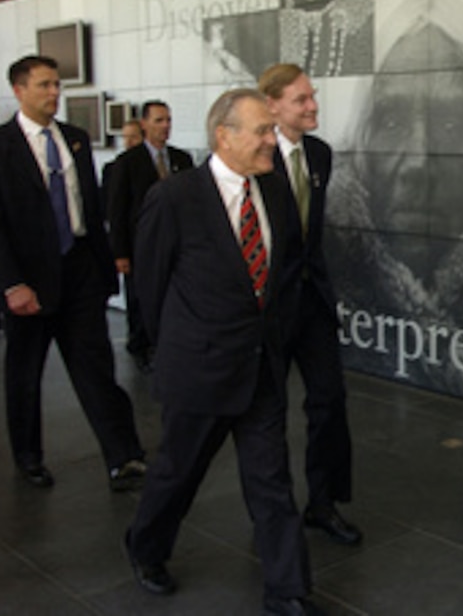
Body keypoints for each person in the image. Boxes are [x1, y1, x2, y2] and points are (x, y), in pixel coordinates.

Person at [125, 89, 322, 615]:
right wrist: (170, 355)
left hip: (261, 367)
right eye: (260, 130)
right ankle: (145, 548)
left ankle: (288, 591)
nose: (269, 140)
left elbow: (284, 273)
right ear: (224, 136)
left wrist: (276, 339)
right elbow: (149, 285)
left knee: (272, 481)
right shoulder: (175, 199)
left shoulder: (276, 192)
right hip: (199, 369)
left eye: (270, 130)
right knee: (178, 472)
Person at [327, 0, 463, 397]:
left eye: (451, 124)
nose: (418, 161)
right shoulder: (332, 266)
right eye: (391, 121)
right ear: (363, 135)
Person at [0, 55, 147, 491]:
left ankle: (123, 455)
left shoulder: (74, 139)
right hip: (28, 281)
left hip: (80, 273)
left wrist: (105, 266)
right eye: (44, 85)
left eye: (57, 85)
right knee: (25, 374)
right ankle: (29, 458)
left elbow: (90, 206)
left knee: (96, 368)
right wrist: (11, 284)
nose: (54, 93)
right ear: (19, 90)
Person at [259, 63, 361, 545]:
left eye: (312, 96)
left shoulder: (320, 154)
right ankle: (272, 517)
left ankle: (323, 504)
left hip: (313, 301)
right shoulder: (255, 158)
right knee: (268, 413)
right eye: (301, 99)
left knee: (329, 401)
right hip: (268, 309)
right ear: (273, 105)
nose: (313, 105)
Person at [106, 102, 193, 373]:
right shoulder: (128, 163)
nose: (165, 126)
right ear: (144, 124)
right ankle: (141, 346)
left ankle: (168, 344)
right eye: (158, 120)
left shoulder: (181, 159)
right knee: (140, 298)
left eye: (168, 120)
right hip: (140, 245)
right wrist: (120, 252)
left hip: (177, 243)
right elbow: (117, 209)